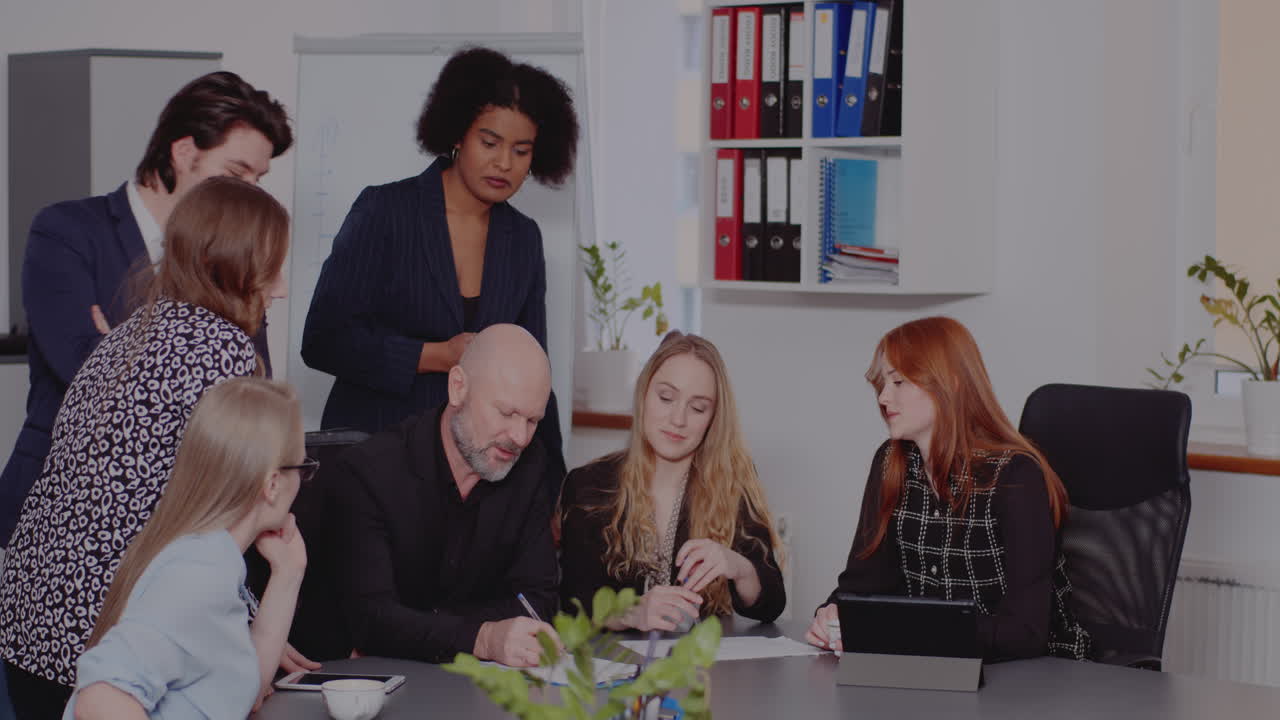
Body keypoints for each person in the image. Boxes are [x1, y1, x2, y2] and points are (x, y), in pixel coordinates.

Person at [0, 177, 306, 719]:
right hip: (111, 637)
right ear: (236, 265)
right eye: (272, 268)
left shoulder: (126, 334)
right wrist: (239, 637)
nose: (279, 288)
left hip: (31, 615)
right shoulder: (224, 351)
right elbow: (210, 507)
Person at [0, 70, 292, 549]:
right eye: (236, 173)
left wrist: (114, 343)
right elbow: (81, 366)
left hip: (190, 516)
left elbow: (247, 396)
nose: (250, 192)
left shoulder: (236, 257)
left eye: (258, 179)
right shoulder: (68, 230)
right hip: (65, 509)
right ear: (183, 152)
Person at [300, 46, 578, 499]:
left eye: (521, 150)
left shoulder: (524, 239)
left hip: (474, 479)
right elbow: (324, 340)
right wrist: (437, 355)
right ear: (457, 136)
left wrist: (553, 490)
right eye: (490, 143)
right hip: (375, 461)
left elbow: (534, 374)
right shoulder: (385, 211)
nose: (504, 163)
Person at [804, 316, 1092, 661]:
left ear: (950, 385)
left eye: (899, 382)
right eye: (883, 383)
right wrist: (834, 613)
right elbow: (863, 584)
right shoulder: (891, 464)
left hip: (1034, 676)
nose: (883, 397)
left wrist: (904, 632)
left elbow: (1026, 633)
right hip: (931, 667)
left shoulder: (1015, 476)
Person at [63, 378, 309, 720]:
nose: (303, 481)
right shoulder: (198, 575)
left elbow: (241, 694)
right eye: (303, 467)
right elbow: (101, 699)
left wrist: (288, 571)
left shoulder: (211, 557)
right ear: (272, 485)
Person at [329, 324, 560, 667]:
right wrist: (482, 637)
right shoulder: (370, 472)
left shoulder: (530, 464)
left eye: (533, 419)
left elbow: (537, 600)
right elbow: (371, 620)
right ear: (458, 388)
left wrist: (419, 628)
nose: (520, 437)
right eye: (507, 413)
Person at [559, 331, 786, 630]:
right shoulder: (588, 485)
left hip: (700, 670)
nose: (678, 419)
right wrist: (631, 613)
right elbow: (571, 606)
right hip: (610, 670)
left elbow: (771, 605)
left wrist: (738, 566)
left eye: (698, 408)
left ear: (713, 418)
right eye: (666, 398)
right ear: (643, 395)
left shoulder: (732, 483)